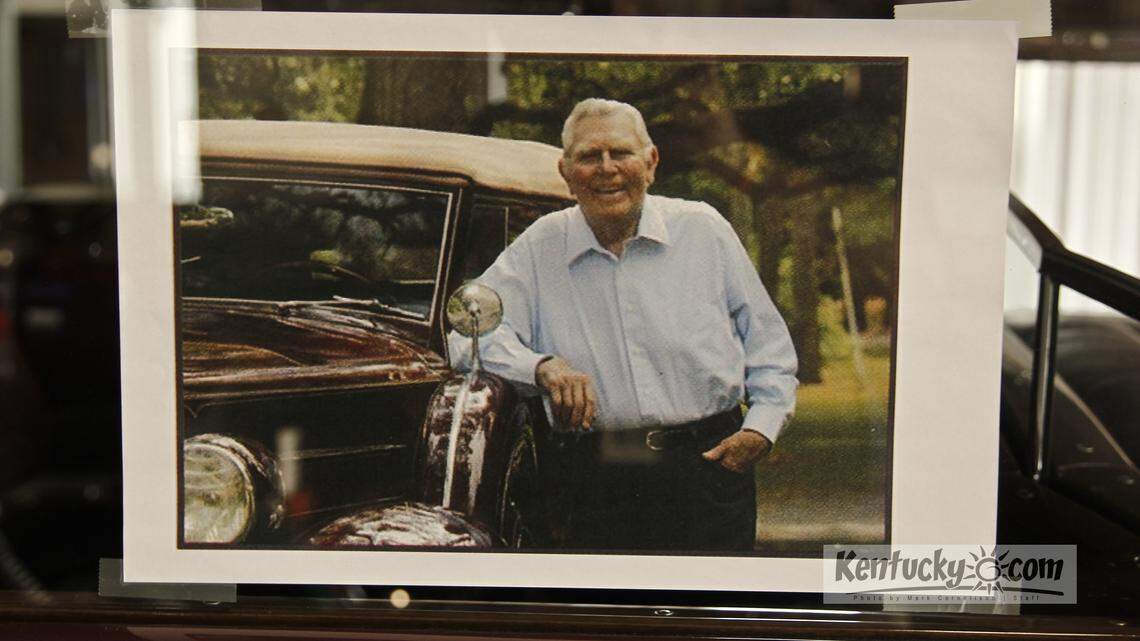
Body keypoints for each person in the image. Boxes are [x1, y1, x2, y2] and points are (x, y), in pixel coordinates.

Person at [450, 98, 797, 552]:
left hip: (707, 467)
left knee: (706, 614)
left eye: (621, 153)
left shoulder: (703, 230)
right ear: (566, 171)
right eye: (590, 156)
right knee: (608, 614)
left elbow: (768, 344)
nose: (607, 169)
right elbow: (468, 334)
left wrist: (761, 430)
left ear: (650, 163)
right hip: (593, 477)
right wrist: (541, 367)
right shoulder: (540, 247)